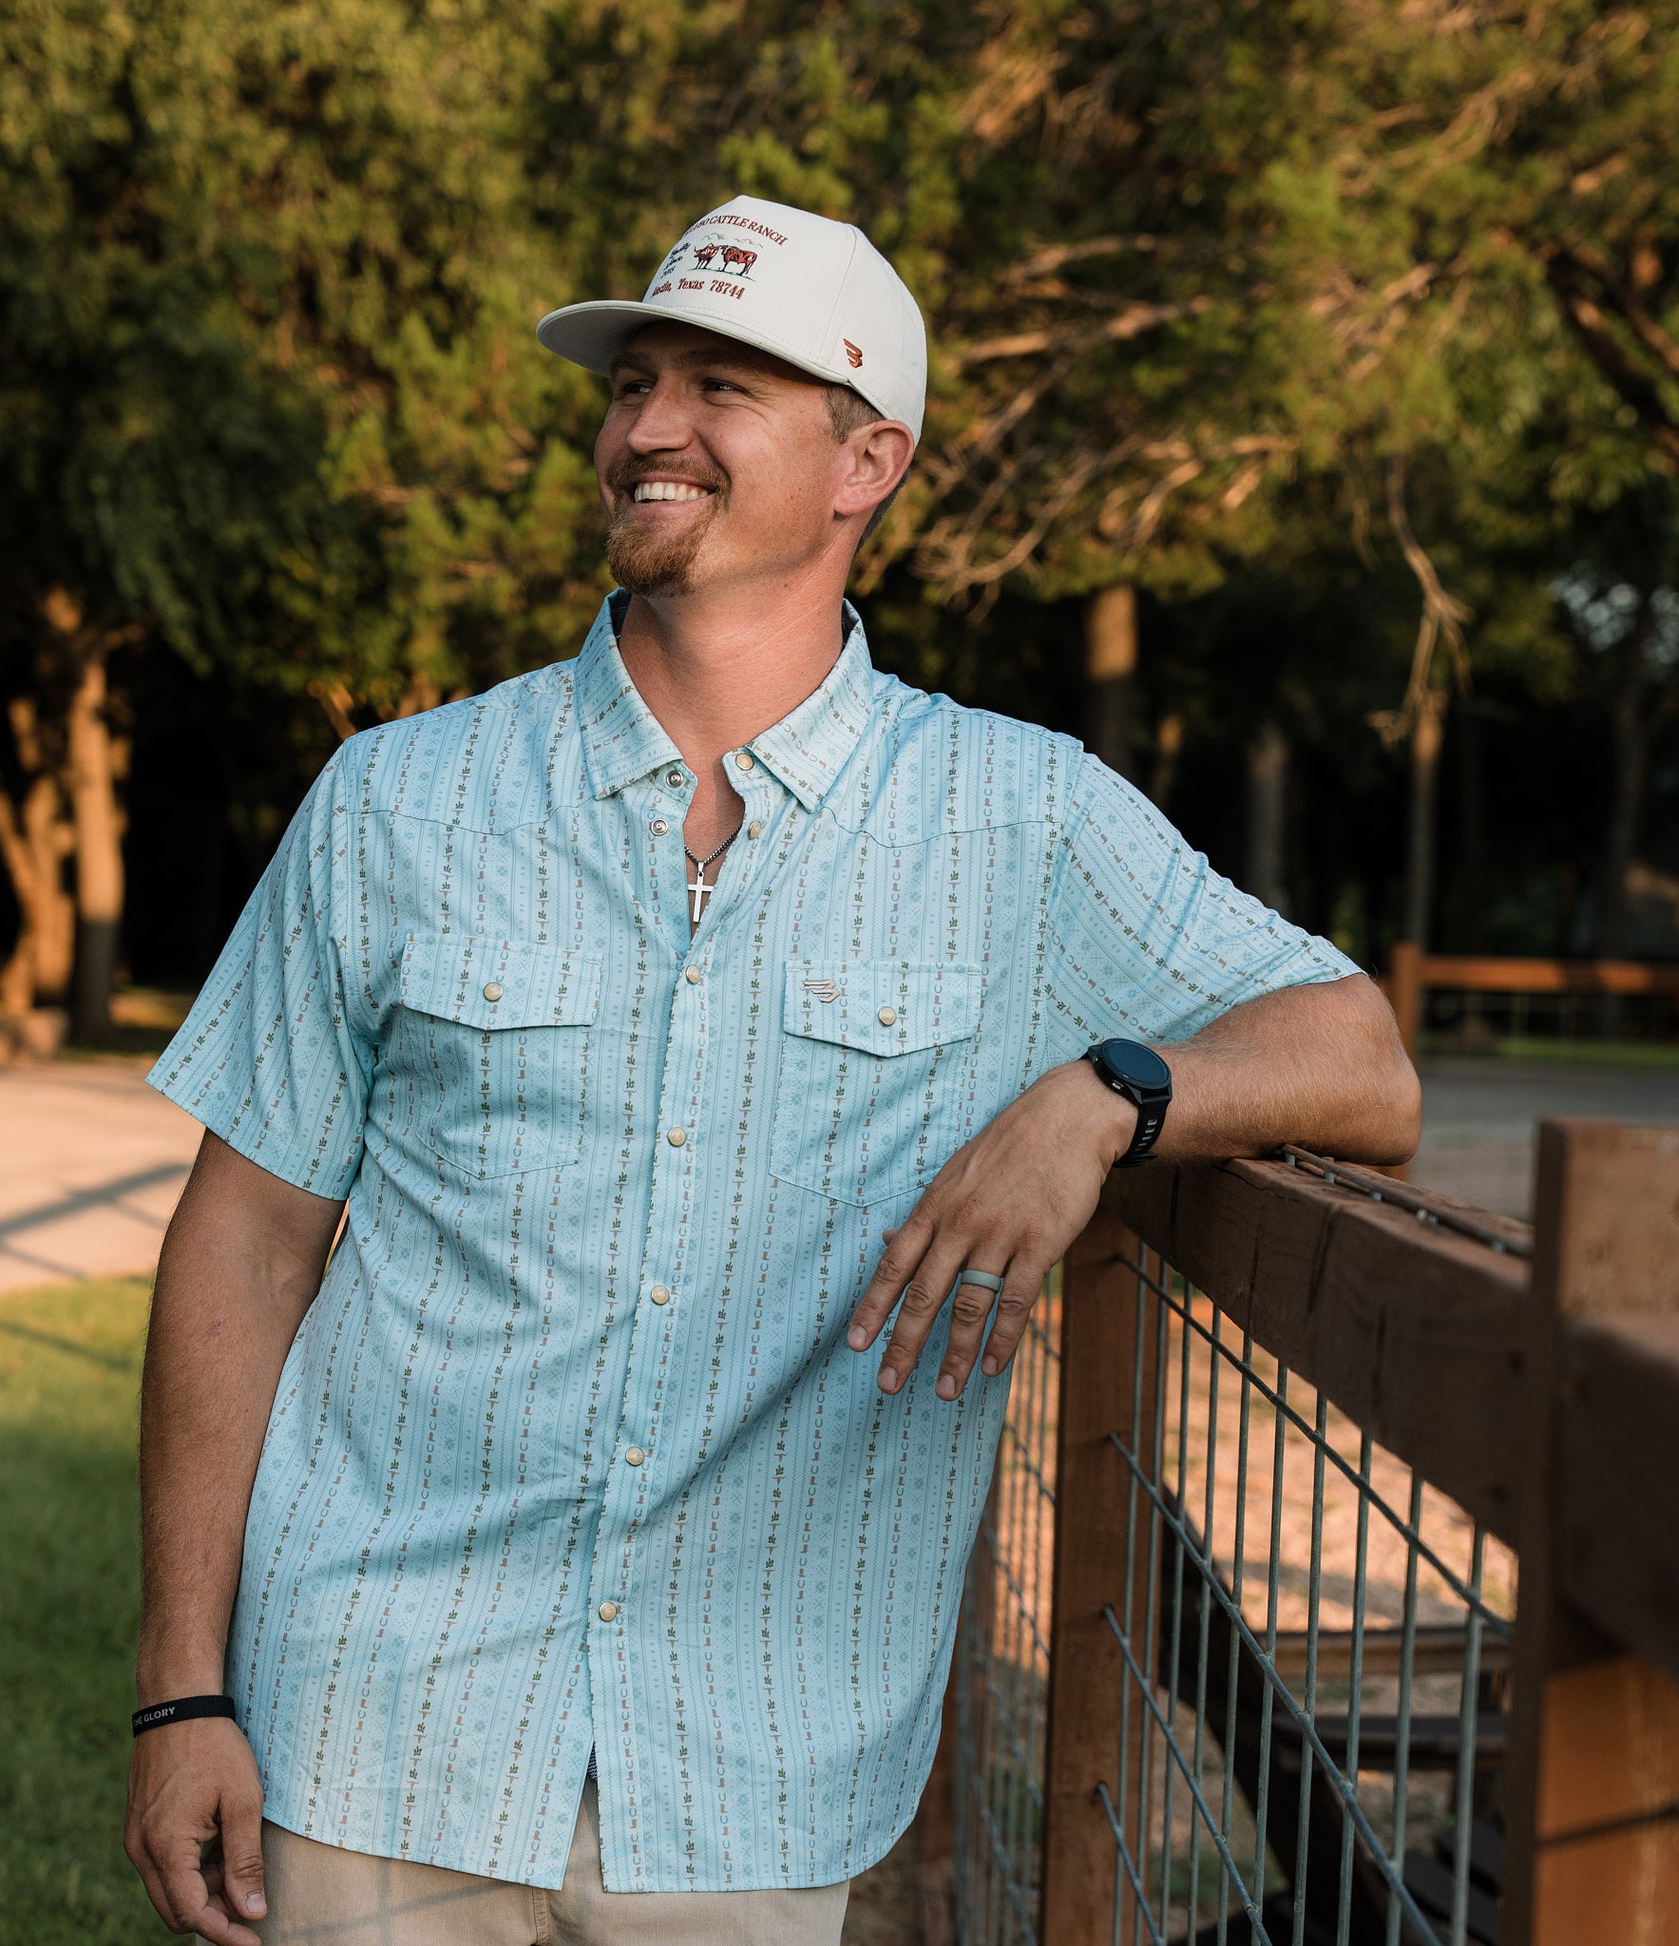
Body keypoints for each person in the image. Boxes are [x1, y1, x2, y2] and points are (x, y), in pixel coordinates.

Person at [123, 194, 1419, 1946]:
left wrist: (1104, 1092)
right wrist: (180, 1688)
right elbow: (246, 1239)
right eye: (635, 381)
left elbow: (1360, 1060)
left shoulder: (1017, 819)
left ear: (864, 460)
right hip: (371, 1720)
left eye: (720, 387)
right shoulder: (397, 800)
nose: (646, 427)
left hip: (750, 1773)